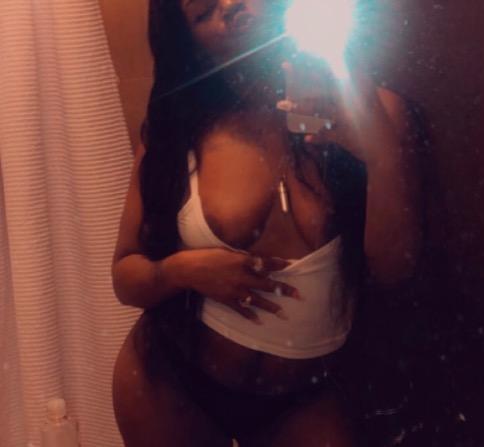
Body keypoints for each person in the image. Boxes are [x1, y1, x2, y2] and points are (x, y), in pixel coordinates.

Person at [111, 0, 422, 446]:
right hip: (170, 382)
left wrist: (380, 155)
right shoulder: (180, 129)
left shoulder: (377, 111)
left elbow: (395, 269)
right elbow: (125, 277)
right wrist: (184, 270)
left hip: (306, 397)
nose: (229, 7)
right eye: (203, 11)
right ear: (192, 43)